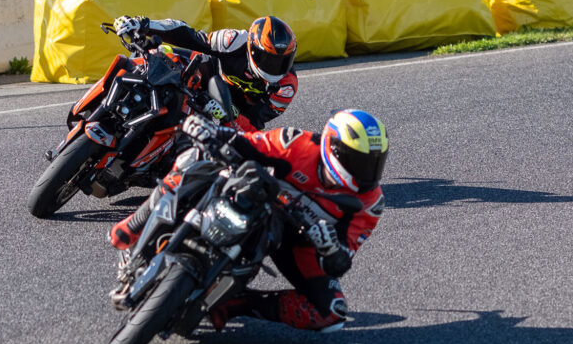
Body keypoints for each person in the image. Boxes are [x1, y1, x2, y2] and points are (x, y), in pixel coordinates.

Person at [108, 109, 389, 332]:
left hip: (299, 239)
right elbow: (247, 142)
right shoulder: (297, 144)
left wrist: (331, 249)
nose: (366, 171)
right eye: (358, 161)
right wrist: (209, 131)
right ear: (332, 147)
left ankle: (232, 303)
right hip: (253, 194)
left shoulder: (370, 203)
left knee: (332, 313)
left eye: (374, 162)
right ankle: (136, 225)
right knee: (194, 157)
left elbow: (341, 262)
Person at [112, 14, 298, 133]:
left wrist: (225, 114)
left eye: (283, 61)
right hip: (209, 76)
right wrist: (143, 24)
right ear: (253, 49)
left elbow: (254, 125)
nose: (276, 67)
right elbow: (189, 36)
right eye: (269, 60)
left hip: (235, 110)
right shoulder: (233, 41)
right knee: (159, 52)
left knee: (234, 152)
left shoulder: (286, 87)